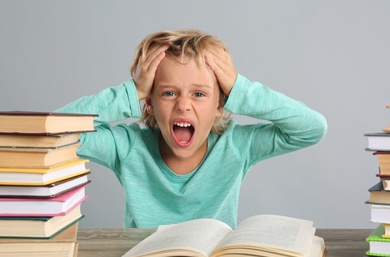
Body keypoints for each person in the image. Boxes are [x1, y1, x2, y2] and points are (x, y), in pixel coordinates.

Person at [56, 29, 327, 228]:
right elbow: (53, 132)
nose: (183, 105)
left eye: (199, 94)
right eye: (169, 93)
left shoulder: (236, 146)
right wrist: (133, 91)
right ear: (148, 104)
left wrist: (238, 89)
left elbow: (312, 128)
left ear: (220, 104)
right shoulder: (127, 147)